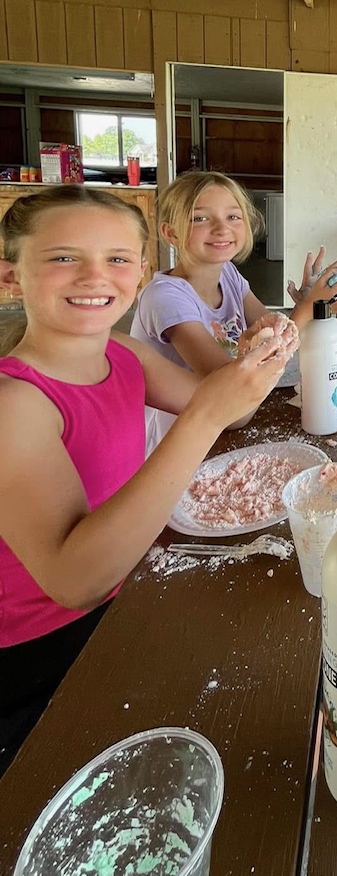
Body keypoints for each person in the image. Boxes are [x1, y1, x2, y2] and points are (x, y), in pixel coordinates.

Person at [0, 186, 297, 774]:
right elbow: (74, 581)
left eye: (115, 259)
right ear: (11, 277)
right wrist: (212, 411)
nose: (93, 276)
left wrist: (259, 361)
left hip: (133, 579)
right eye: (63, 257)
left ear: (139, 275)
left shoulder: (122, 353)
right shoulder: (16, 403)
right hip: (46, 657)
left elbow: (228, 407)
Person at [131, 172, 337, 449]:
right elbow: (232, 394)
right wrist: (306, 308)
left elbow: (271, 332)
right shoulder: (165, 297)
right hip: (177, 445)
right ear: (170, 233)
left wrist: (315, 305)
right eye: (200, 218)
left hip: (222, 431)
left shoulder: (228, 275)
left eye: (233, 216)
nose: (222, 228)